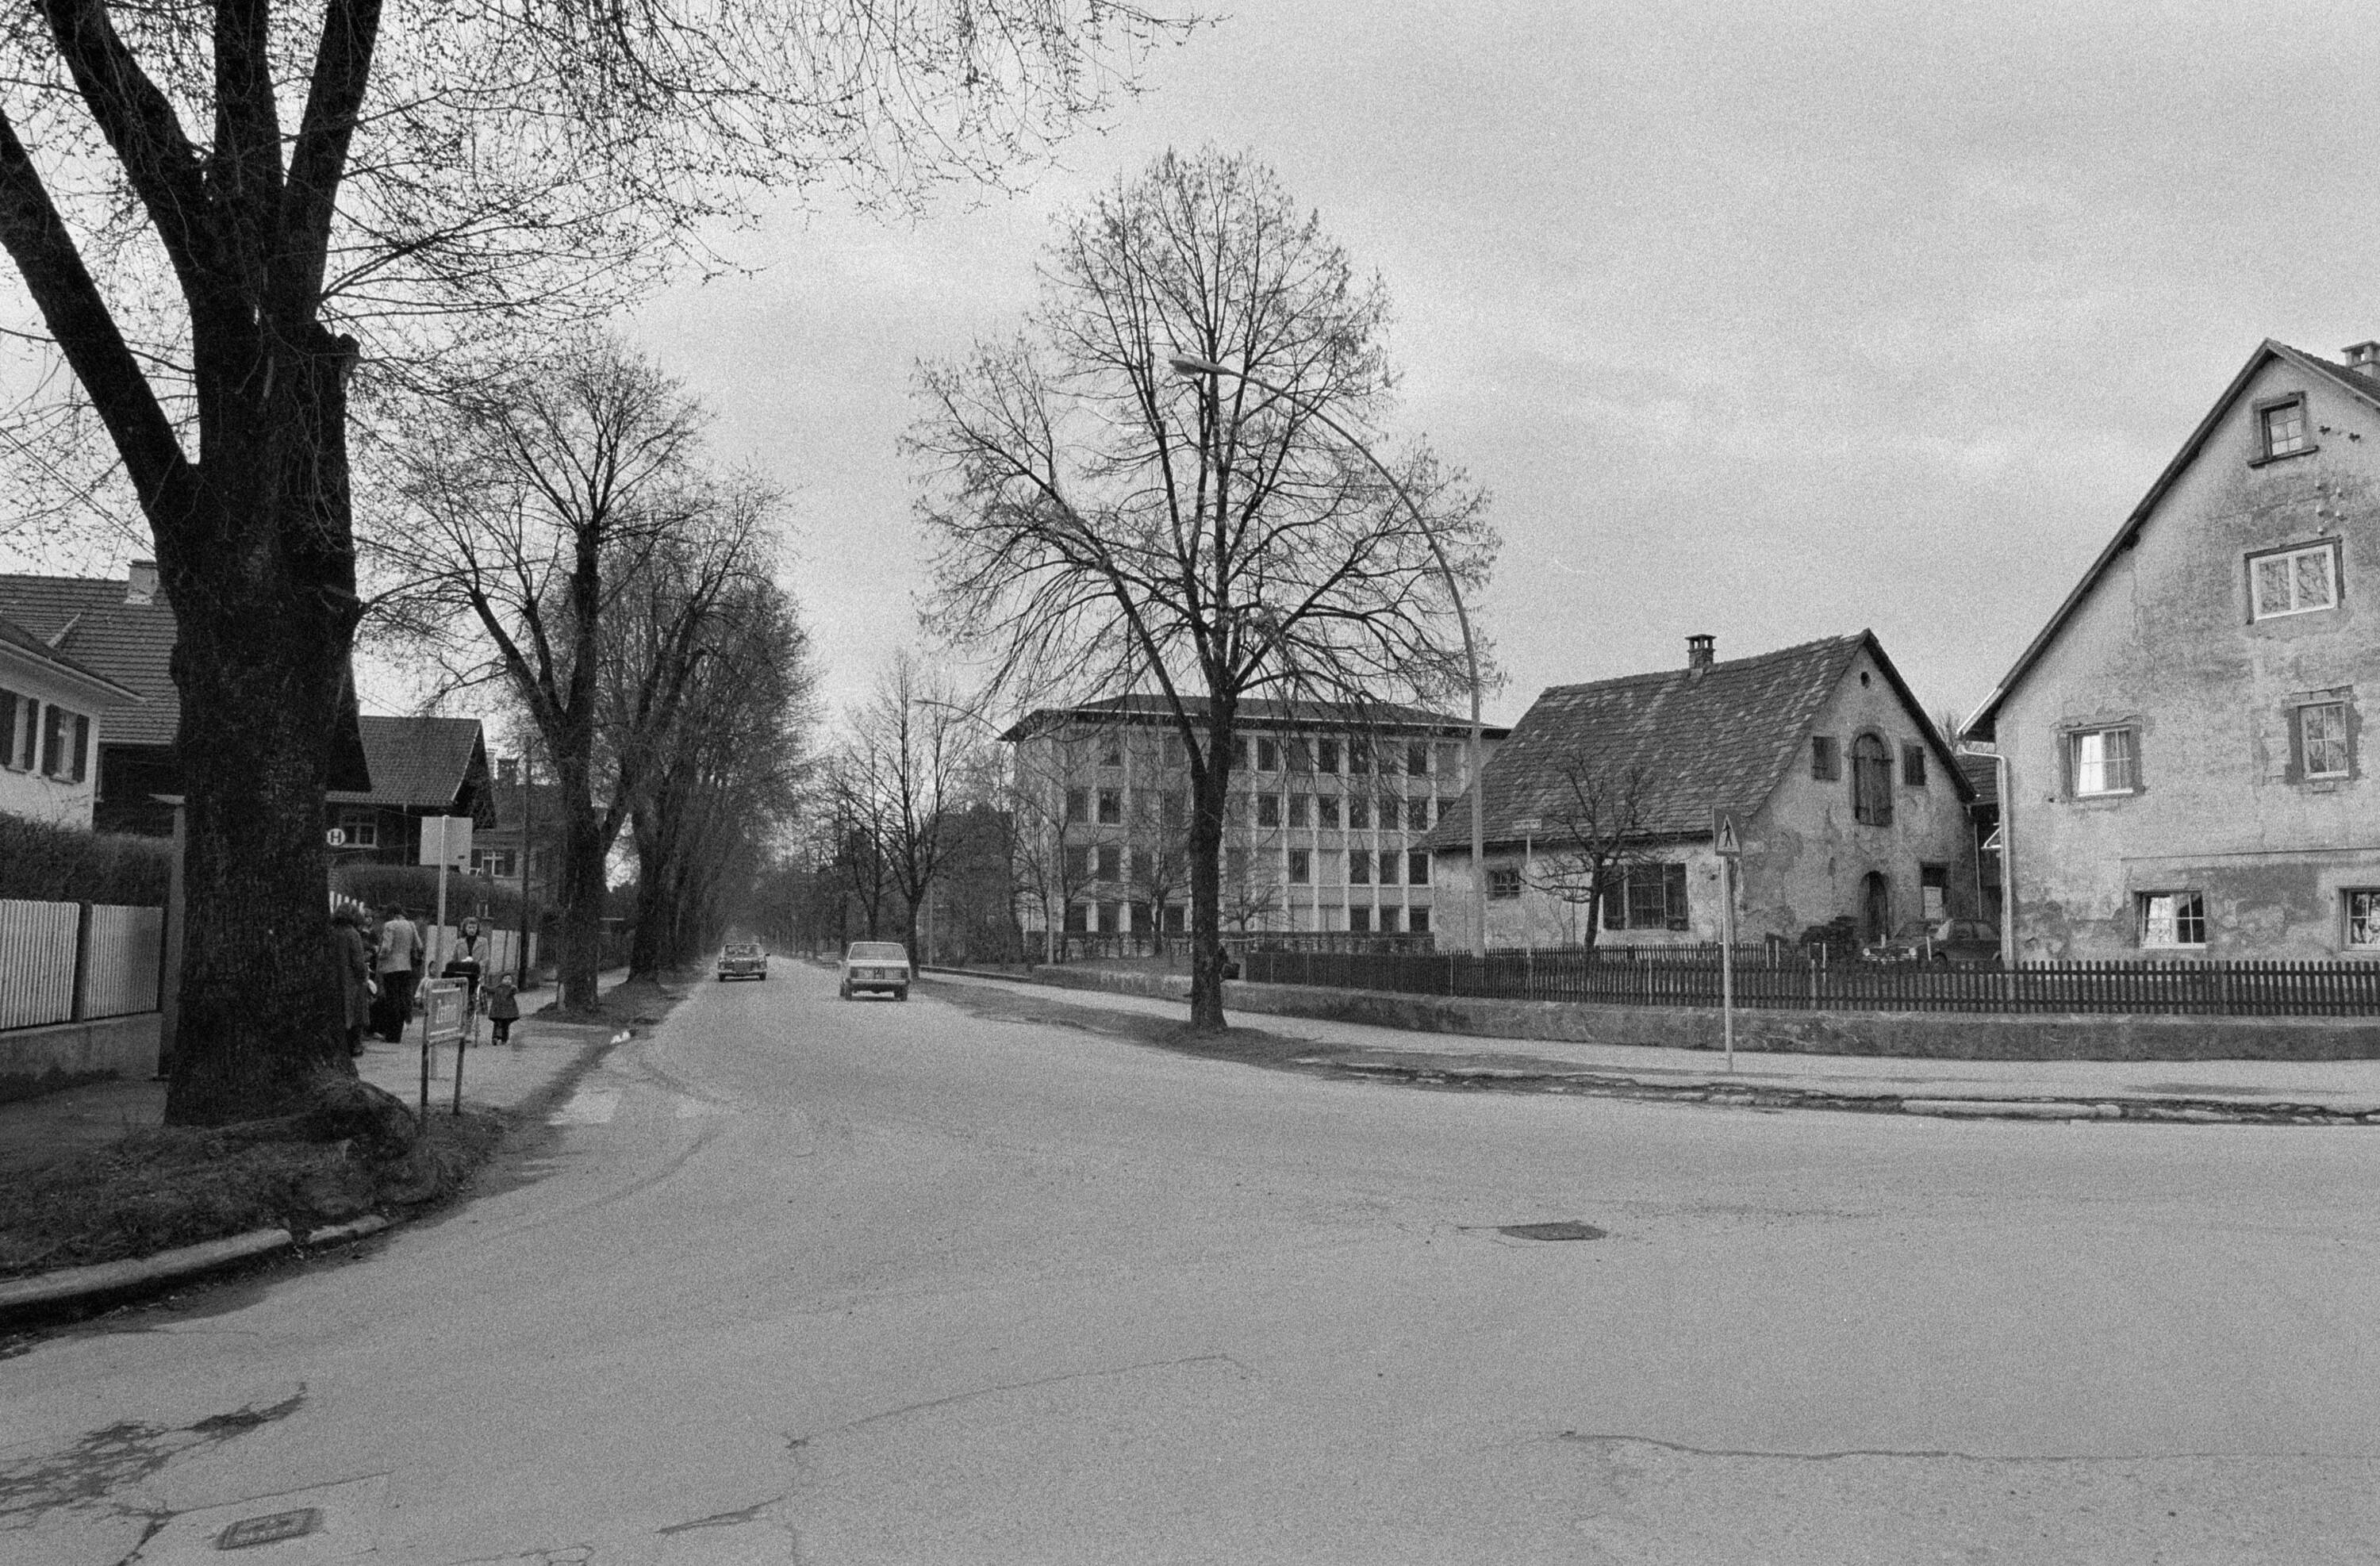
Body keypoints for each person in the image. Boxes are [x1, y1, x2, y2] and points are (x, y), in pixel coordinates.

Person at [330, 905, 376, 1061]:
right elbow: (358, 962)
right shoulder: (352, 934)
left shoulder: (331, 932)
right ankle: (354, 1046)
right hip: (351, 981)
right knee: (355, 1013)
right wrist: (364, 976)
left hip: (334, 979)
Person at [376, 904, 422, 1041]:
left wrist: (379, 957)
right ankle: (398, 1034)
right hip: (406, 967)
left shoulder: (390, 925)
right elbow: (419, 945)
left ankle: (390, 1035)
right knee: (402, 999)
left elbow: (386, 947)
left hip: (391, 967)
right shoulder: (410, 925)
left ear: (391, 913)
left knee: (392, 1000)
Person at [484, 969, 520, 1047]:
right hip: (498, 1011)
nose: (507, 981)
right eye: (505, 979)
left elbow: (515, 991)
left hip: (508, 1012)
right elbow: (490, 989)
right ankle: (495, 1037)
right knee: (498, 1024)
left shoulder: (511, 989)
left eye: (509, 979)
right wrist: (484, 987)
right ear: (501, 980)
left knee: (506, 1025)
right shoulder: (498, 988)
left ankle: (504, 1039)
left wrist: (514, 988)